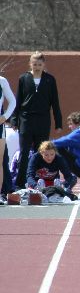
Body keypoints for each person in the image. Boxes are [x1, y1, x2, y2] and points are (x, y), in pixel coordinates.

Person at [11, 51, 63, 189]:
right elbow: (18, 100)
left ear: (43, 64)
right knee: (24, 152)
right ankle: (20, 183)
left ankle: (38, 182)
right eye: (34, 64)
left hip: (43, 120)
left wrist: (58, 122)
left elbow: (55, 102)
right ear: (30, 64)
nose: (37, 67)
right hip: (26, 119)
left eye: (39, 64)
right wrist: (14, 120)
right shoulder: (23, 78)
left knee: (41, 152)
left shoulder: (50, 80)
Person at [0, 74, 16, 203]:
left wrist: (5, 116)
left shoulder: (1, 81)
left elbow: (12, 101)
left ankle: (0, 193)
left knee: (0, 161)